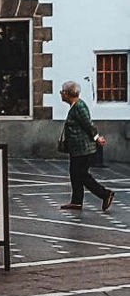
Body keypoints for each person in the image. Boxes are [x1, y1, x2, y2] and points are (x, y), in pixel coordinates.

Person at [59, 80, 115, 212]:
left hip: (84, 149)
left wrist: (96, 137)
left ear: (67, 93)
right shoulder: (74, 106)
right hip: (76, 149)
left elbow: (88, 124)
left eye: (62, 92)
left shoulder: (79, 106)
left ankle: (105, 194)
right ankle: (76, 201)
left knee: (82, 174)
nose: (61, 94)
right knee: (74, 174)